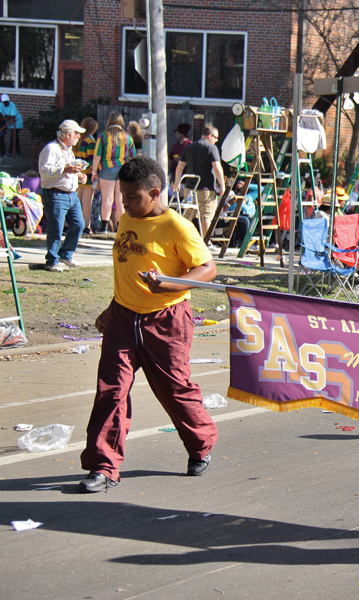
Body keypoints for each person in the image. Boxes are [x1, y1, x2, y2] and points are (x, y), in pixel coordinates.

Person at [79, 155, 219, 493]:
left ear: (154, 193)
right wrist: (111, 309)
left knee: (174, 390)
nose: (123, 203)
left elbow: (208, 270)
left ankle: (201, 443)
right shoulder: (129, 219)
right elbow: (126, 270)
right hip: (123, 319)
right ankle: (103, 466)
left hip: (166, 321)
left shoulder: (178, 227)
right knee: (111, 392)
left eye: (131, 197)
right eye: (123, 196)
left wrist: (169, 284)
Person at [38, 120, 87, 272]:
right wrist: (64, 169)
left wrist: (78, 175)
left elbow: (68, 169)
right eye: (77, 133)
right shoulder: (51, 148)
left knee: (79, 224)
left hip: (71, 195)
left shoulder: (68, 150)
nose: (79, 137)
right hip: (55, 194)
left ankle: (66, 254)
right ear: (68, 134)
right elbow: (44, 170)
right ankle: (52, 260)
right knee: (56, 228)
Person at [174, 126, 225, 240]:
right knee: (206, 216)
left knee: (188, 214)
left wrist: (177, 182)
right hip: (205, 188)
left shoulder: (189, 147)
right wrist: (222, 185)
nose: (216, 140)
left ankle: (180, 239)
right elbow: (217, 168)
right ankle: (206, 242)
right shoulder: (211, 148)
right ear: (209, 136)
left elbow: (180, 166)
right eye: (215, 137)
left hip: (189, 188)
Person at [92, 112, 137, 233]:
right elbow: (133, 157)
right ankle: (121, 226)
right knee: (120, 198)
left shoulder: (103, 136)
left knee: (107, 198)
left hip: (107, 167)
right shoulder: (128, 137)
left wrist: (94, 172)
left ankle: (104, 226)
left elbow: (97, 156)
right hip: (123, 168)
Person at [74, 117, 99, 235]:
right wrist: (95, 172)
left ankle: (70, 225)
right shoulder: (90, 142)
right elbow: (91, 160)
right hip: (88, 176)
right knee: (87, 202)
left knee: (76, 201)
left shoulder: (77, 140)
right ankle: (86, 226)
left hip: (77, 174)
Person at [0, 93, 23, 158]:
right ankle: (18, 152)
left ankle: (9, 152)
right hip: (9, 123)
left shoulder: (12, 105)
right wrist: (5, 116)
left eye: (7, 102)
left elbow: (13, 116)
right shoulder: (1, 105)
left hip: (16, 122)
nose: (6, 103)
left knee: (13, 136)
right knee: (16, 138)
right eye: (4, 102)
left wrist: (4, 115)